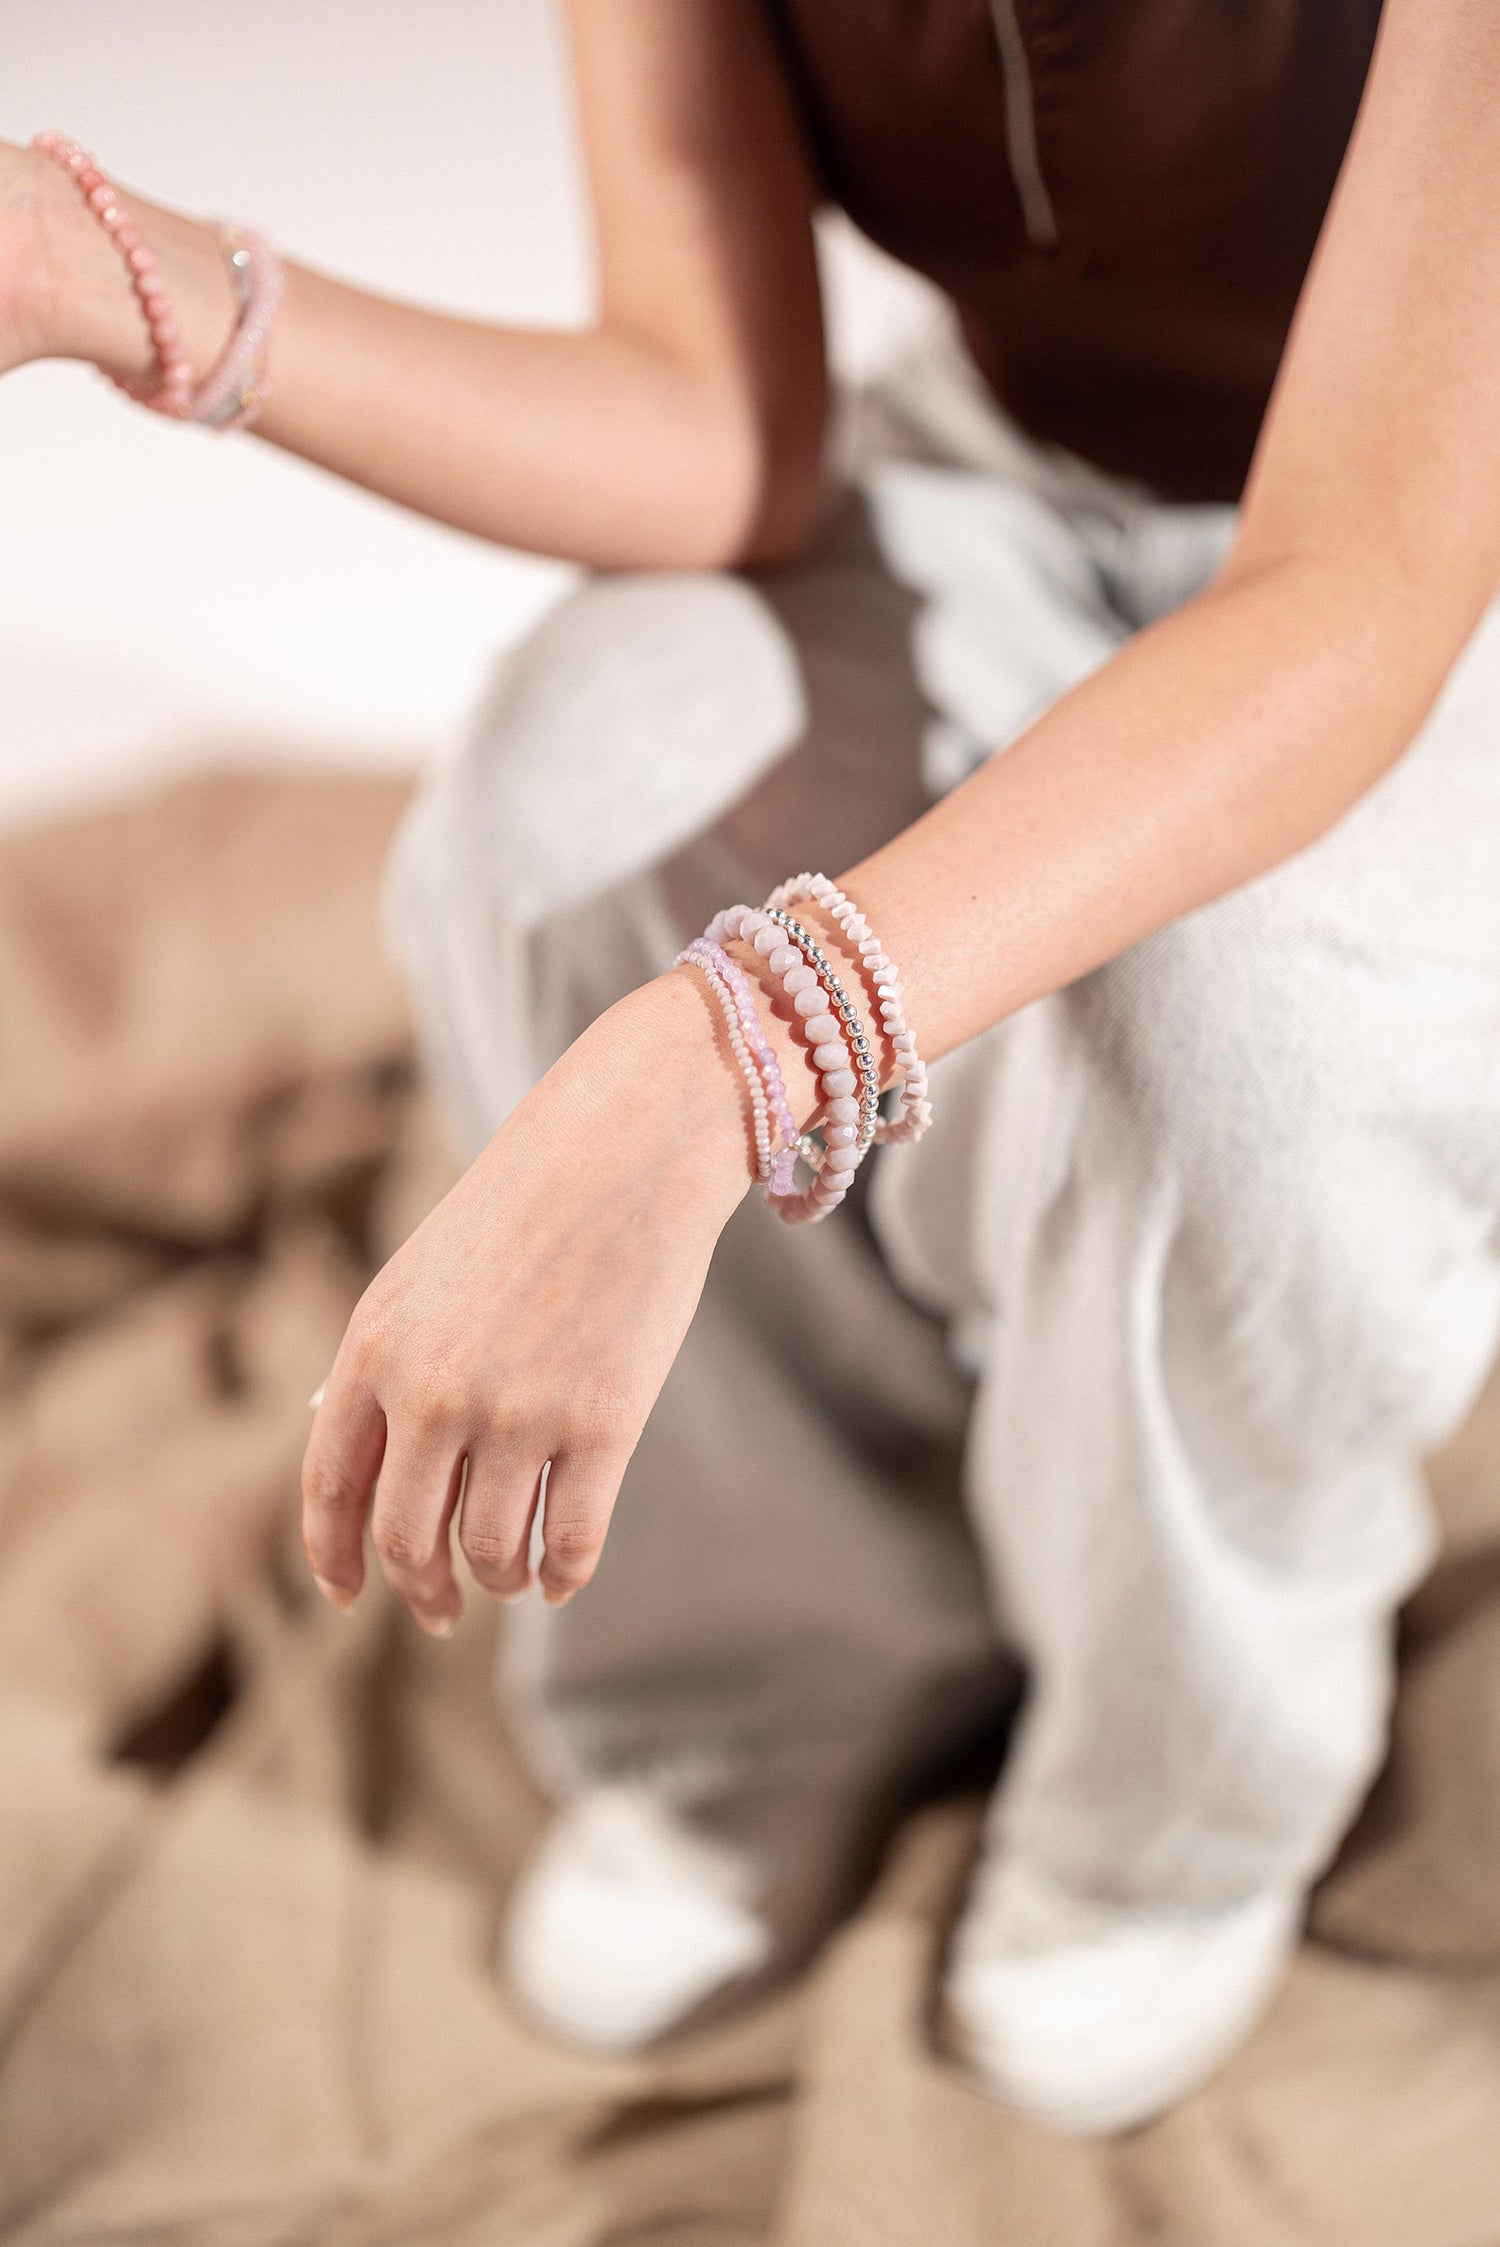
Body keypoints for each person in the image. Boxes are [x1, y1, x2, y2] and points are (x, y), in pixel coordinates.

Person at [6, 0, 1500, 2135]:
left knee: (1227, 1045)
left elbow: (1355, 586)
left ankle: (1179, 1794)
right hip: (998, 480)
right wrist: (100, 267)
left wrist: (717, 1055)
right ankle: (764, 1671)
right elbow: (719, 422)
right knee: (559, 806)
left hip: (1446, 546)